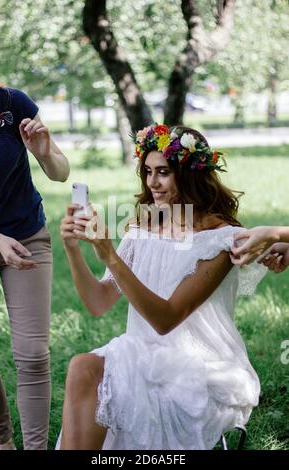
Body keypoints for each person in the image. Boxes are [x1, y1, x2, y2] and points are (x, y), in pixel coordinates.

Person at [58, 124, 266, 450]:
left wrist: (111, 255)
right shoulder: (144, 230)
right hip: (139, 354)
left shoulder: (220, 241)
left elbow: (167, 319)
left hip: (198, 369)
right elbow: (99, 302)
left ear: (190, 174)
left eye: (164, 173)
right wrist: (72, 248)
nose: (153, 183)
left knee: (87, 370)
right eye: (148, 172)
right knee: (82, 367)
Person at [0, 76, 70, 450]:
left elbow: (60, 172)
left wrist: (44, 150)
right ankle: (2, 442)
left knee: (33, 354)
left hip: (26, 236)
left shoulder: (13, 103)